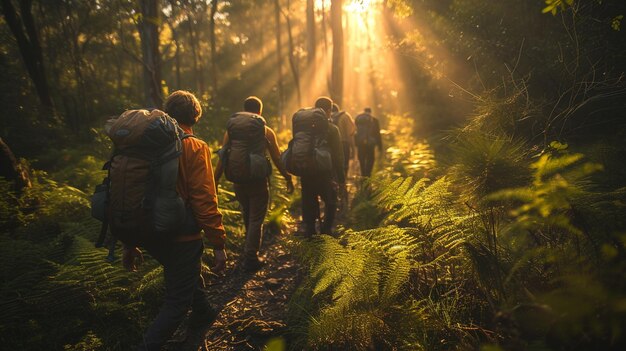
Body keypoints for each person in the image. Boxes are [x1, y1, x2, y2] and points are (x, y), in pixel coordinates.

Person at [122, 90, 227, 351]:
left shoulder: (142, 147)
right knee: (177, 302)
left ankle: (203, 312)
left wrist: (129, 242)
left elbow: (128, 193)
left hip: (149, 234)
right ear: (196, 114)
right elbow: (204, 200)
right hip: (182, 236)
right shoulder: (194, 146)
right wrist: (218, 242)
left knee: (183, 273)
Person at [214, 96, 294, 271]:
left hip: (238, 178)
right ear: (259, 112)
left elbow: (223, 156)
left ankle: (247, 250)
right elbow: (276, 158)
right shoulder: (265, 131)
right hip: (257, 180)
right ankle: (250, 257)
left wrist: (215, 180)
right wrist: (287, 177)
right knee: (256, 218)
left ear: (244, 110)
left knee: (247, 214)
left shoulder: (231, 131)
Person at [299, 97, 345, 236]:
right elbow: (338, 155)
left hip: (307, 171)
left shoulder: (303, 127)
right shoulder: (332, 129)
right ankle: (326, 230)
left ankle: (310, 229)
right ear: (329, 110)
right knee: (331, 201)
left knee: (309, 200)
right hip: (326, 173)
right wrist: (341, 178)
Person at [354, 107, 382, 177]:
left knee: (361, 158)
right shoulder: (374, 120)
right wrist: (380, 146)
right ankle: (368, 174)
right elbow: (377, 133)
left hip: (360, 143)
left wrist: (356, 143)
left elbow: (355, 131)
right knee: (370, 158)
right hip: (370, 144)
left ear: (364, 111)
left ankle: (363, 173)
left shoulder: (358, 119)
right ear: (370, 112)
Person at [331, 103, 355, 178]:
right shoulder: (345, 116)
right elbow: (350, 134)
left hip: (331, 146)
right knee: (344, 165)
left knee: (333, 166)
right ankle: (343, 184)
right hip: (344, 144)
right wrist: (353, 149)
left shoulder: (326, 117)